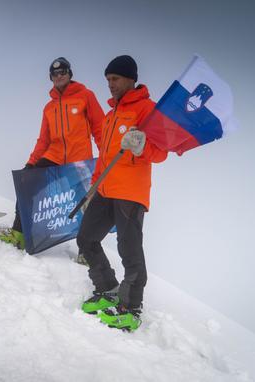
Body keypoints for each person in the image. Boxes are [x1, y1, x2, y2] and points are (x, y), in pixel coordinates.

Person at [78, 55, 167, 331]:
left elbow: (161, 153)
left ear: (131, 78)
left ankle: (131, 308)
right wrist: (92, 189)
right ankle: (108, 289)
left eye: (115, 79)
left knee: (129, 249)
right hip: (105, 189)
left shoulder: (148, 110)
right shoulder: (110, 115)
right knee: (86, 238)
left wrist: (142, 147)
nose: (110, 84)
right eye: (107, 80)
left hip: (130, 192)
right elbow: (104, 158)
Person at [0, 57, 104, 249]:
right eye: (55, 74)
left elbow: (99, 128)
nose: (59, 76)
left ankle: (87, 251)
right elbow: (44, 140)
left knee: (85, 204)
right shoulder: (49, 107)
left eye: (63, 72)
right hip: (54, 157)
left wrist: (106, 153)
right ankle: (19, 235)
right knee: (27, 184)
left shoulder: (85, 96)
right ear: (51, 78)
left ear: (70, 74)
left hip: (79, 159)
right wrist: (31, 163)